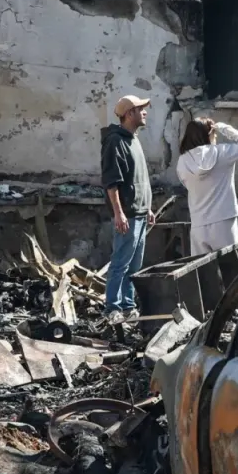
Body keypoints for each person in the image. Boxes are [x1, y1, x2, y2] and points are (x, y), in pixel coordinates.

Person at [101, 94, 155, 323]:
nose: (145, 112)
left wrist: (148, 207)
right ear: (129, 113)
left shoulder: (134, 139)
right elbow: (111, 182)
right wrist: (119, 213)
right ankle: (112, 308)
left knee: (134, 266)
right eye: (141, 109)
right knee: (120, 263)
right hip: (128, 215)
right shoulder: (115, 141)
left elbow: (139, 178)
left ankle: (128, 307)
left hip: (140, 213)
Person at [177, 117, 238, 255]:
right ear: (209, 134)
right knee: (231, 264)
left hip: (198, 222)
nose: (216, 136)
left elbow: (187, 185)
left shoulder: (182, 161)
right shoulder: (222, 152)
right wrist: (223, 127)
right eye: (214, 133)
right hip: (224, 219)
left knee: (202, 267)